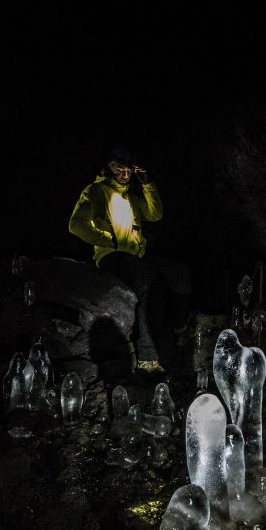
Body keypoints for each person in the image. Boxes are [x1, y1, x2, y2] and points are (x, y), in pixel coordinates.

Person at [68, 144, 191, 375]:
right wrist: (108, 240)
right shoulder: (96, 191)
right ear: (109, 167)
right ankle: (147, 357)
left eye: (128, 171)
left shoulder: (133, 195)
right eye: (119, 170)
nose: (124, 176)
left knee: (180, 272)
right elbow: (76, 225)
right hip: (112, 258)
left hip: (138, 257)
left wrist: (146, 183)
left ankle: (178, 325)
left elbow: (155, 214)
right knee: (147, 281)